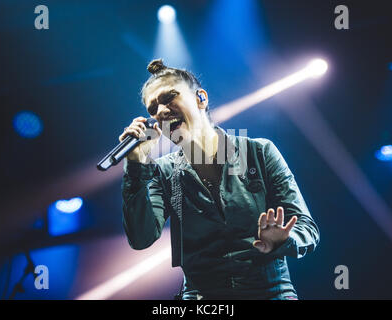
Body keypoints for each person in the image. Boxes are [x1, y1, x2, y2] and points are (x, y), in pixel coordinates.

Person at [119, 59, 320, 300]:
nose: (160, 111)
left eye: (169, 97)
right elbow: (141, 238)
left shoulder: (258, 153)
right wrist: (136, 166)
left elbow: (307, 227)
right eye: (152, 109)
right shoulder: (162, 171)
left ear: (200, 98)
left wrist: (285, 239)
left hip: (270, 293)